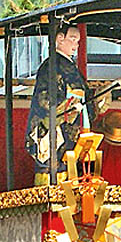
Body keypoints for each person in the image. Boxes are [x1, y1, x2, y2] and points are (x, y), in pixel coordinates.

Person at [26, 25, 93, 184]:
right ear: (59, 39)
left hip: (71, 128)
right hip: (54, 129)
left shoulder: (70, 67)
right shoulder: (50, 66)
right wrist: (67, 106)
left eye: (78, 41)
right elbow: (44, 100)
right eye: (72, 39)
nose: (76, 45)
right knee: (54, 174)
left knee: (71, 171)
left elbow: (85, 97)